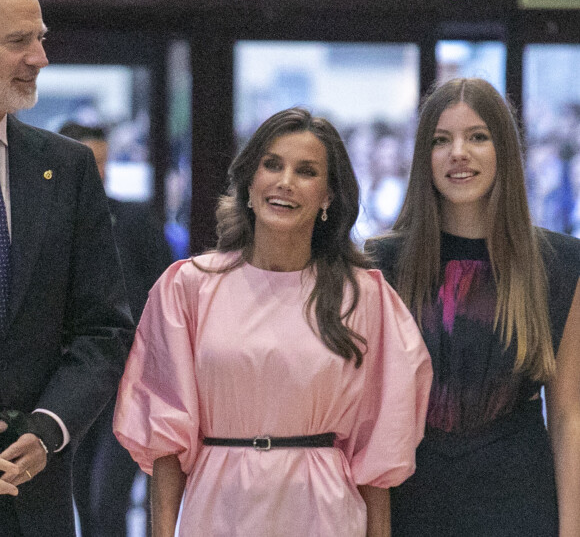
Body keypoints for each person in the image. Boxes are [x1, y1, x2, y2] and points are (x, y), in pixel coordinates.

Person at [113, 107, 433, 537]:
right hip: (215, 510)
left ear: (328, 196)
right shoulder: (186, 288)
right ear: (249, 183)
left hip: (324, 514)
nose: (285, 181)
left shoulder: (365, 297)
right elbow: (166, 443)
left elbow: (378, 455)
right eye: (272, 165)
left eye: (306, 171)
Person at [367, 78, 580, 536]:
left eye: (478, 137)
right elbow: (370, 414)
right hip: (412, 500)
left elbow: (567, 416)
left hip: (519, 502)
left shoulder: (560, 263)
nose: (458, 152)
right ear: (424, 157)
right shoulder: (382, 263)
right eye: (441, 140)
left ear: (505, 150)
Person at [0, 0, 134, 536]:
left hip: (36, 497)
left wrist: (50, 426)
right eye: (17, 41)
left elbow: (102, 327)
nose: (39, 58)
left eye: (41, 38)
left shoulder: (68, 168)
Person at [58, 122, 174, 537]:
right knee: (80, 502)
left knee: (108, 501)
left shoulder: (133, 218)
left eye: (104, 162)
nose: (98, 172)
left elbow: (164, 296)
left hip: (128, 378)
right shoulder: (44, 222)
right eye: (89, 162)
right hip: (66, 379)